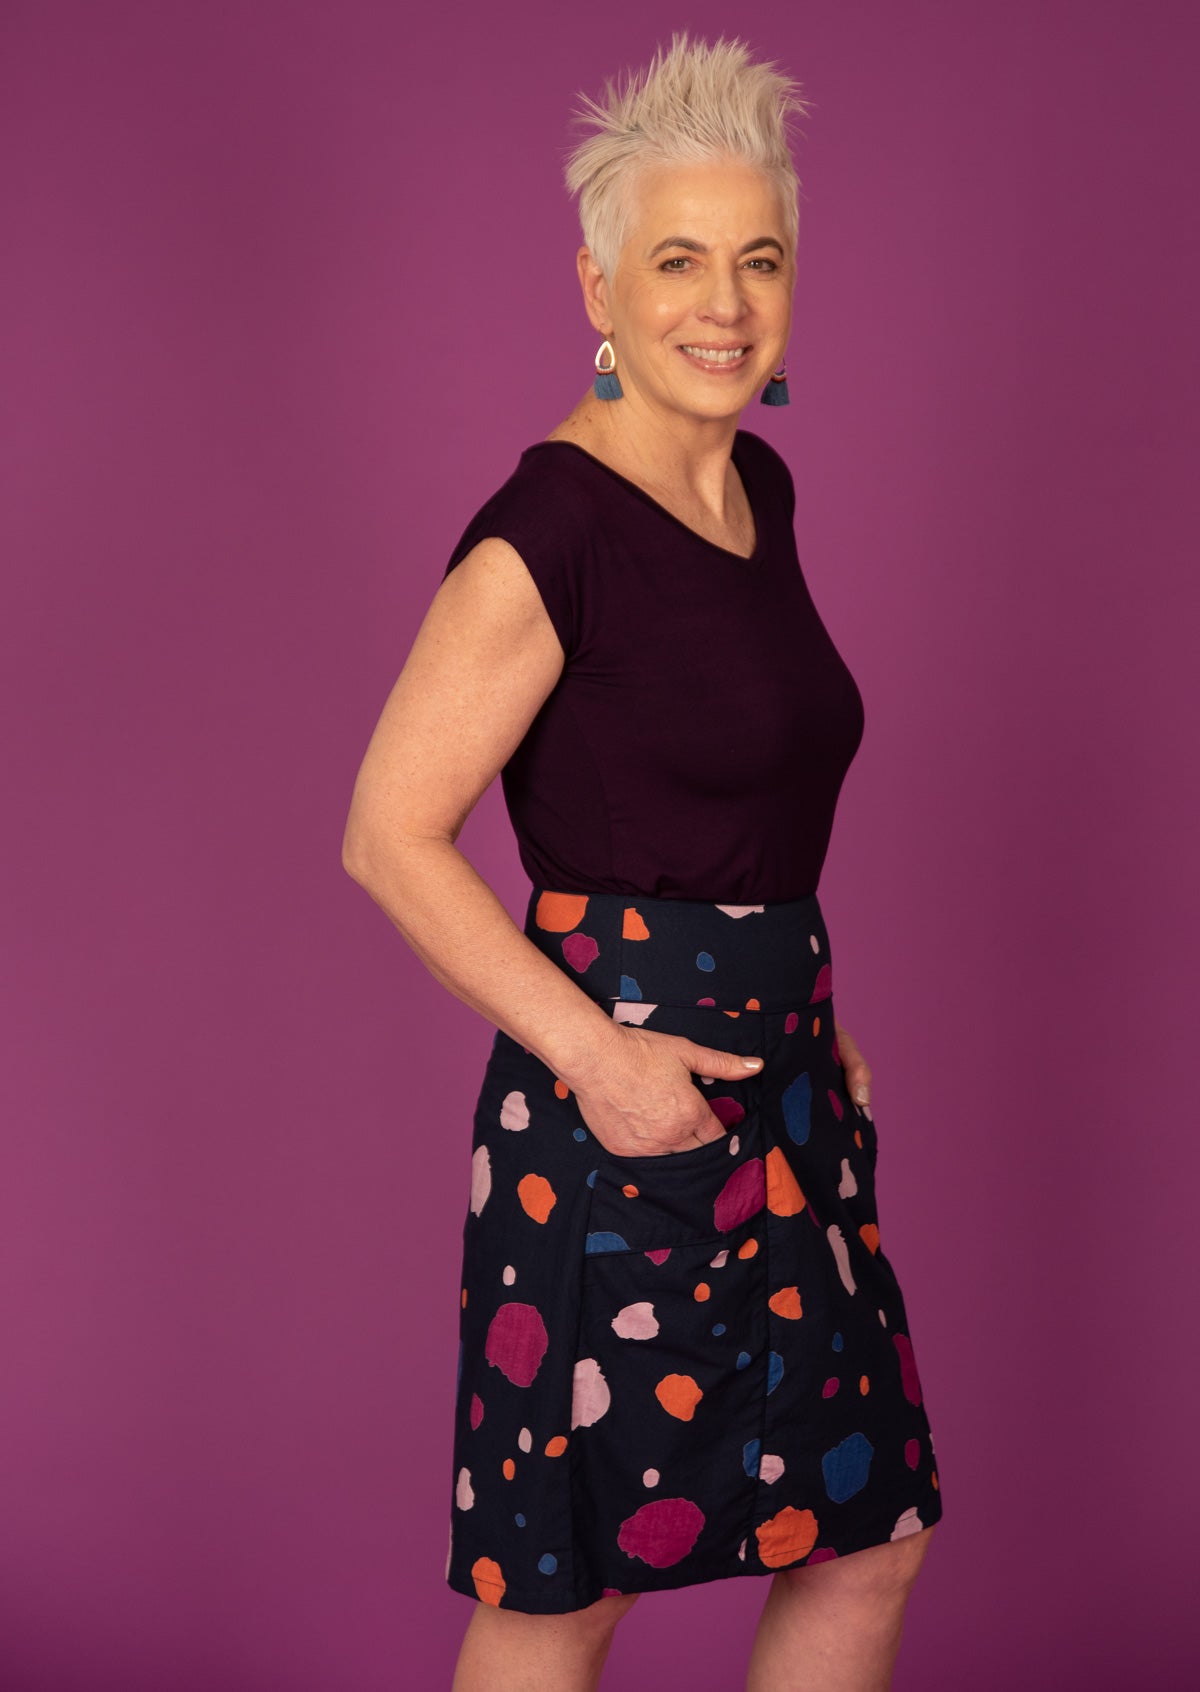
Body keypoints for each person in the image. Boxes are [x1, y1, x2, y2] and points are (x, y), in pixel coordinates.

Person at [342, 31, 944, 1692]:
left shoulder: (762, 486)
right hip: (621, 1116)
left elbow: (735, 799)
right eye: (679, 259)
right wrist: (598, 1059)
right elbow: (386, 836)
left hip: (788, 1098)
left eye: (760, 259)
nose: (726, 303)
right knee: (576, 1581)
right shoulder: (548, 533)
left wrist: (818, 1024)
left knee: (863, 1531)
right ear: (598, 283)